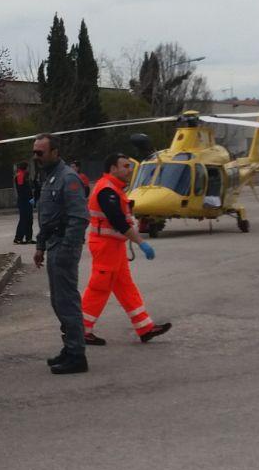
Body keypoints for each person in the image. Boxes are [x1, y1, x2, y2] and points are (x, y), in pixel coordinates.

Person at [83, 153, 172, 345]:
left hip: (114, 247)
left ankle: (145, 328)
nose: (129, 170)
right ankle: (81, 330)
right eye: (125, 166)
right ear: (113, 169)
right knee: (99, 287)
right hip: (106, 247)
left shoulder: (114, 188)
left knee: (125, 287)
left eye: (130, 166)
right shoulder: (107, 190)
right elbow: (118, 222)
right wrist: (141, 242)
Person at [31, 134, 91, 376]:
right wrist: (40, 246)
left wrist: (67, 248)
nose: (36, 157)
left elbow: (80, 218)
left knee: (67, 301)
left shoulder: (68, 178)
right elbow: (48, 218)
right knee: (59, 301)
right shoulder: (50, 177)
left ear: (54, 152)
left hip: (64, 246)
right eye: (35, 152)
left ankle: (77, 355)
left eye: (40, 152)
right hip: (54, 244)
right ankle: (70, 347)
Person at [12, 161, 36, 244]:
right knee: (23, 219)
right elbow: (22, 190)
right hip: (24, 201)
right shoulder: (20, 175)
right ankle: (18, 238)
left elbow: (28, 188)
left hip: (28, 200)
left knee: (29, 219)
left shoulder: (25, 175)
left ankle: (28, 238)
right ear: (25, 167)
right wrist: (29, 198)